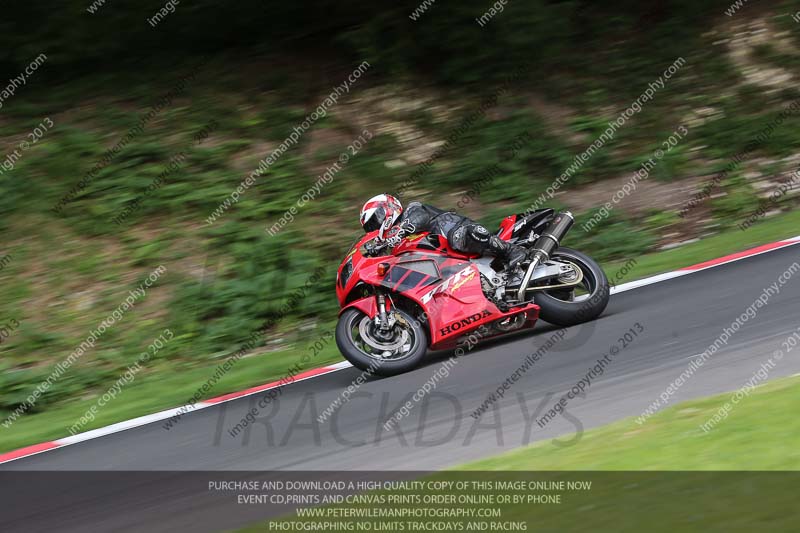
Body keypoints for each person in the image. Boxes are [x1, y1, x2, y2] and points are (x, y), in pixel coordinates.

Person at [359, 193, 527, 269]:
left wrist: (399, 231)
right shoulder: (396, 243)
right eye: (370, 228)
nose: (374, 228)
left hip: (455, 231)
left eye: (374, 222)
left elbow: (420, 219)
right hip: (447, 259)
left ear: (387, 209)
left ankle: (512, 250)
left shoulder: (412, 210)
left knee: (458, 237)